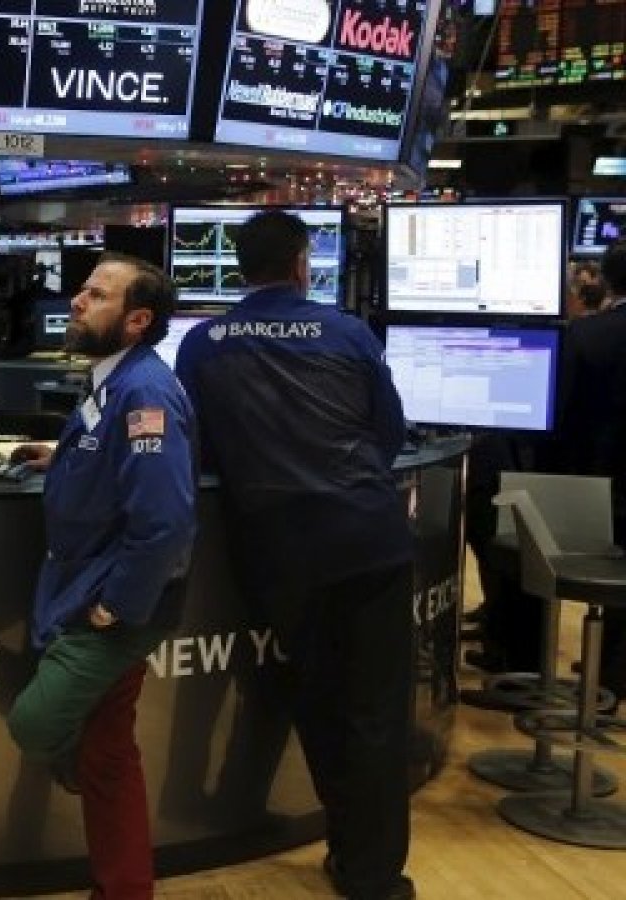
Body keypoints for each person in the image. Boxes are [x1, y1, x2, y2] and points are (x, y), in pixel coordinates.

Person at [173, 210, 415, 900]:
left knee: (314, 701)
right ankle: (372, 875)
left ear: (239, 267)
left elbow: (199, 447)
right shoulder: (347, 331)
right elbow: (388, 434)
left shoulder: (202, 344)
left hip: (278, 552)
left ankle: (345, 846)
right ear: (304, 263)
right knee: (375, 712)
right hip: (368, 542)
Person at [5, 253, 196, 900]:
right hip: (82, 589)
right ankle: (123, 887)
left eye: (96, 295)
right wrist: (61, 455)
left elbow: (165, 518)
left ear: (137, 320)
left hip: (112, 606)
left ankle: (122, 882)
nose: (77, 301)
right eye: (82, 290)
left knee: (39, 724)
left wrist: (118, 603)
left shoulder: (145, 393)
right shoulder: (113, 379)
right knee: (107, 748)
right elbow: (110, 457)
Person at [553, 239, 626, 700]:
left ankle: (606, 667)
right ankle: (614, 666)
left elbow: (565, 412)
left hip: (602, 477)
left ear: (606, 279)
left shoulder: (588, 334)